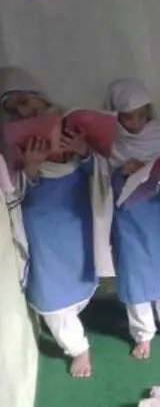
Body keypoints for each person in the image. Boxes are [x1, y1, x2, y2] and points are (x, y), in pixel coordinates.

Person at [0, 66, 112, 378]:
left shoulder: (67, 124)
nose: (24, 112)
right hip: (44, 234)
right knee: (51, 295)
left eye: (26, 102)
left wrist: (81, 150)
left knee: (79, 279)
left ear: (41, 97)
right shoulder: (9, 141)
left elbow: (98, 174)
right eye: (13, 108)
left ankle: (75, 324)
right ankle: (77, 347)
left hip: (77, 226)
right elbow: (12, 193)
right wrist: (30, 168)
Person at [105, 78, 160, 359]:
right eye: (129, 116)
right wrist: (122, 172)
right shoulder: (109, 142)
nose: (137, 123)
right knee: (136, 276)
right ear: (115, 115)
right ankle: (143, 333)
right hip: (129, 219)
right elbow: (100, 183)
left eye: (143, 115)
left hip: (159, 212)